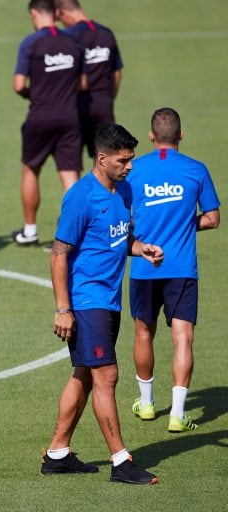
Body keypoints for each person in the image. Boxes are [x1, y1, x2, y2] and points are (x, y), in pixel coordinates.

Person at [44, 124, 161, 485]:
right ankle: (121, 461)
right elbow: (59, 254)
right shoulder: (81, 197)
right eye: (123, 161)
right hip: (86, 300)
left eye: (131, 160)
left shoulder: (123, 191)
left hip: (109, 300)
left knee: (84, 376)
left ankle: (57, 455)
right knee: (106, 375)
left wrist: (139, 248)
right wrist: (64, 308)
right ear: (102, 158)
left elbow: (116, 238)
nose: (129, 167)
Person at [126, 108, 220, 432]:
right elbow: (212, 218)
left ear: (152, 136)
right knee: (183, 338)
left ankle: (147, 404)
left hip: (143, 266)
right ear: (181, 135)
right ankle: (178, 414)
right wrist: (184, 223)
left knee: (143, 333)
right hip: (182, 268)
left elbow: (121, 219)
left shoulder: (133, 171)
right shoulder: (196, 170)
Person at [12, 0, 86, 246]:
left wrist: (33, 93)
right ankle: (74, 232)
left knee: (31, 169)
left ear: (34, 14)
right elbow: (83, 84)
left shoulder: (31, 43)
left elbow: (19, 85)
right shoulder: (73, 42)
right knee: (69, 175)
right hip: (69, 117)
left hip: (40, 117)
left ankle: (30, 231)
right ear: (56, 14)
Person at [55, 0, 123, 159]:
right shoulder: (106, 33)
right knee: (106, 162)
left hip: (75, 107)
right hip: (103, 106)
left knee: (71, 164)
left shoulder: (68, 37)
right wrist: (108, 98)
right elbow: (117, 74)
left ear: (62, 13)